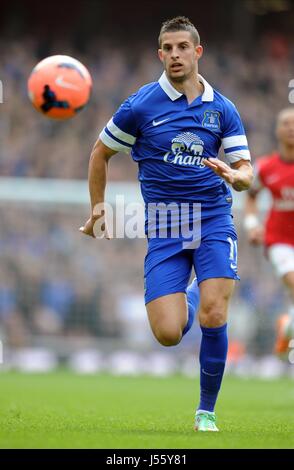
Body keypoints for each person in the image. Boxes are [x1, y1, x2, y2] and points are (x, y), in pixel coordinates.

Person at [80, 16, 253, 432]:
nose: (175, 55)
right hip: (165, 223)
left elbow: (246, 170)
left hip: (212, 217)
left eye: (182, 47)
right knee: (169, 332)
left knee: (215, 313)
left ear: (198, 51)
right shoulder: (140, 105)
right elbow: (99, 154)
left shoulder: (222, 108)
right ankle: (194, 293)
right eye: (167, 49)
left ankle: (205, 411)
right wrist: (99, 208)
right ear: (160, 55)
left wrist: (235, 176)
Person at [244, 108, 294, 356]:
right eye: (286, 123)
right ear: (277, 130)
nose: (291, 128)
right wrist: (253, 226)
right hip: (279, 240)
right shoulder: (265, 167)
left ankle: (287, 329)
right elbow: (251, 197)